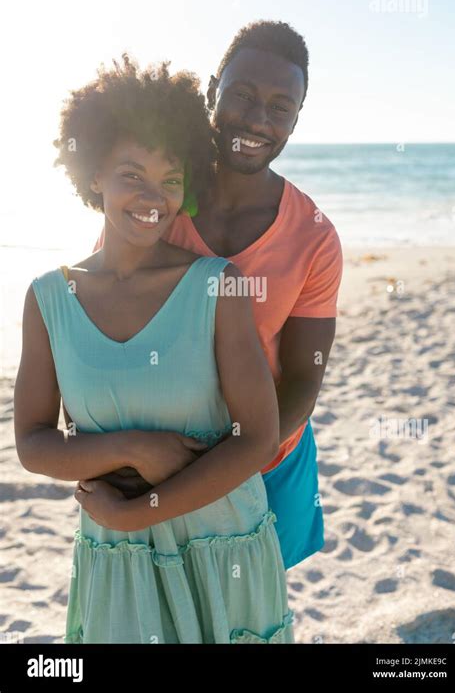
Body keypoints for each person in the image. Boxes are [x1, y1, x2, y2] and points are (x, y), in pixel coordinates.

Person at [14, 56, 294, 644]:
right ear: (93, 174)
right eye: (131, 174)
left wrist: (136, 510)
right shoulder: (48, 298)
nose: (153, 198)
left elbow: (260, 438)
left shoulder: (219, 285)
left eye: (170, 179)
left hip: (222, 550)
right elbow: (33, 445)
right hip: (118, 561)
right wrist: (136, 448)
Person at [95, 21, 343, 570]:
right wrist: (131, 453)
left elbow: (305, 377)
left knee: (252, 616)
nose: (258, 120)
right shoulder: (154, 202)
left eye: (281, 108)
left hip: (267, 460)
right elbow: (101, 326)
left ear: (297, 120)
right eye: (243, 95)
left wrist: (227, 462)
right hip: (152, 458)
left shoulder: (315, 236)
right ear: (212, 91)